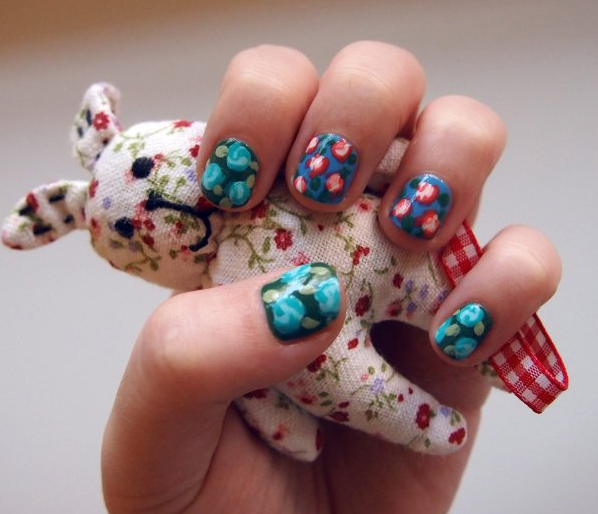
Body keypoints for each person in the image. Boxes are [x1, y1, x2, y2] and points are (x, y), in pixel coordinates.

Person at [100, 42, 561, 513]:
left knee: (442, 308)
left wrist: (403, 166)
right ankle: (448, 402)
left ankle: (486, 371)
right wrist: (284, 428)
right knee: (379, 377)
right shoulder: (224, 300)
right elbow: (255, 390)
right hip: (323, 375)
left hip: (392, 252)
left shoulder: (276, 189)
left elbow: (265, 400)